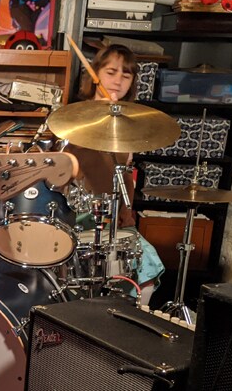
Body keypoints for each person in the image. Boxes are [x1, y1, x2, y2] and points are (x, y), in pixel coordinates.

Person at [67, 44, 165, 304]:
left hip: (111, 217)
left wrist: (126, 211)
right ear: (96, 73)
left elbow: (124, 176)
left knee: (148, 265)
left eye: (126, 75)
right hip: (78, 214)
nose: (118, 80)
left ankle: (124, 328)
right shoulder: (73, 119)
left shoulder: (127, 123)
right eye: (111, 72)